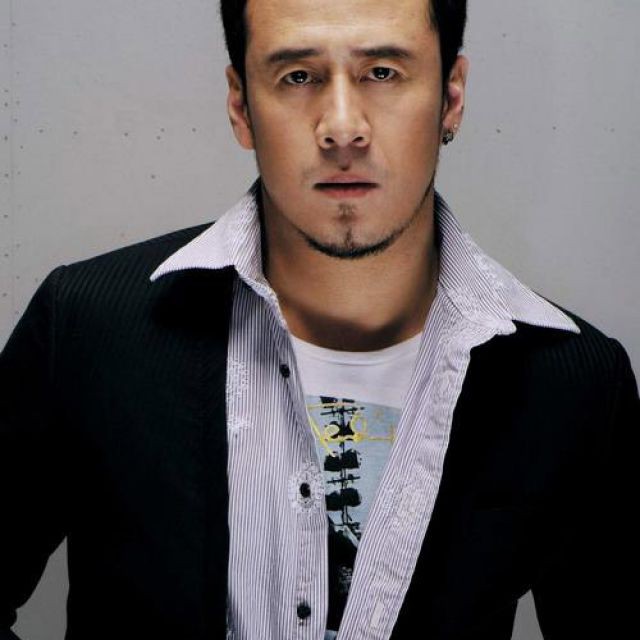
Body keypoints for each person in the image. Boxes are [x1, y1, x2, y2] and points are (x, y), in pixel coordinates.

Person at [1, 1, 637, 638]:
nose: (342, 128)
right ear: (241, 106)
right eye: (298, 76)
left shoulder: (572, 380)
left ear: (451, 98)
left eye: (383, 72)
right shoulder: (86, 326)